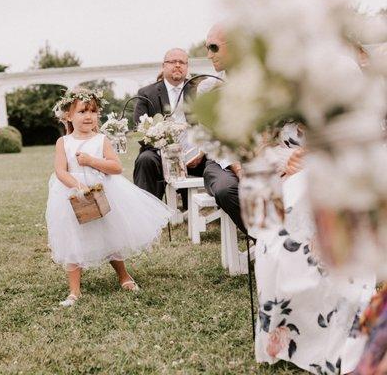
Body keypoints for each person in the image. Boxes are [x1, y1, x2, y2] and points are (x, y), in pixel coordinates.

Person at [254, 123, 374, 373]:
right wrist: (284, 162)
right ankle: (289, 329)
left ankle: (343, 326)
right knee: (280, 245)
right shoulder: (273, 107)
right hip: (292, 184)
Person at [46, 88, 172, 307]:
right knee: (73, 238)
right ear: (68, 115)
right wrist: (79, 186)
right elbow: (60, 171)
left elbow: (115, 167)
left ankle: (124, 276)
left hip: (103, 192)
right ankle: (74, 291)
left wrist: (91, 161)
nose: (88, 116)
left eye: (93, 111)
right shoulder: (63, 142)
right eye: (82, 111)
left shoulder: (101, 139)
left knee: (109, 233)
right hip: (73, 193)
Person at [133, 48, 202, 204]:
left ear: (187, 67)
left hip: (196, 152)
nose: (177, 65)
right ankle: (147, 208)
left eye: (182, 62)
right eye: (173, 62)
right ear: (163, 66)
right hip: (159, 152)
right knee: (145, 159)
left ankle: (217, 204)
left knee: (219, 159)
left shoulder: (199, 91)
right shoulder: (146, 93)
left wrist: (201, 151)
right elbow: (139, 127)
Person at [197, 23, 247, 233]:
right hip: (221, 160)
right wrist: (238, 167)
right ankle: (265, 242)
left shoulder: (264, 82)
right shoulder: (208, 87)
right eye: (207, 48)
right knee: (227, 189)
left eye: (214, 47)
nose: (209, 55)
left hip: (263, 155)